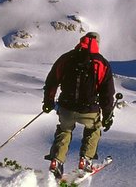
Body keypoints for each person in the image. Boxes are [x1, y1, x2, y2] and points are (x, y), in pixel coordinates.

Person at [42, 31, 115, 178]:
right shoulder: (101, 63)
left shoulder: (66, 58)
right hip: (89, 109)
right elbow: (107, 94)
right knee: (93, 129)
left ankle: (56, 161)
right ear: (97, 43)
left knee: (64, 131)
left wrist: (49, 101)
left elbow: (52, 81)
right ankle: (85, 160)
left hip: (66, 107)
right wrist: (107, 115)